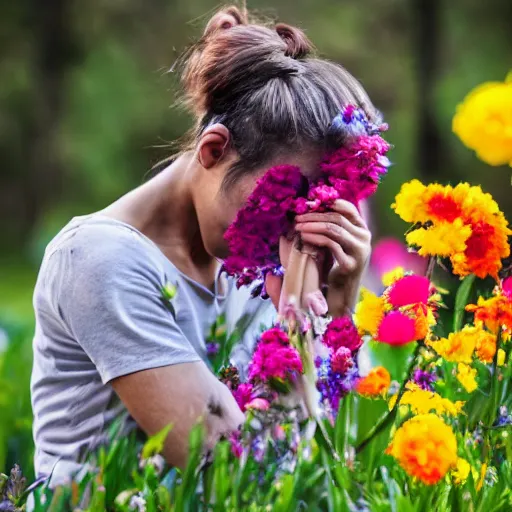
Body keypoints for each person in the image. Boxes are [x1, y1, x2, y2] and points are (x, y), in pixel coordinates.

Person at [31, 6, 378, 485]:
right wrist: (300, 325)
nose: (295, 234)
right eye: (282, 202)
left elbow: (340, 471)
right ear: (214, 150)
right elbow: (241, 475)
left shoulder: (260, 270)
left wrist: (337, 310)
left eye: (314, 211)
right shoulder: (98, 260)